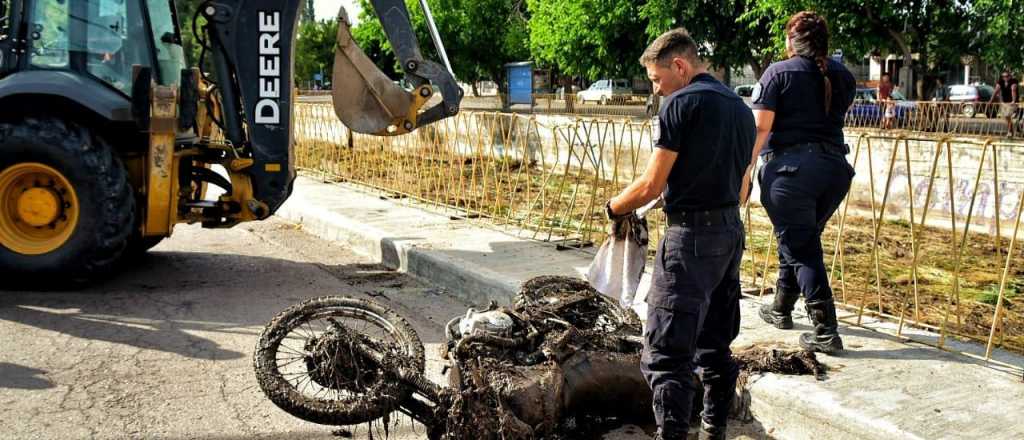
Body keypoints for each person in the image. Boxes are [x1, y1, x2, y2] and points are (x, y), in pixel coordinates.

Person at [606, 28, 754, 440]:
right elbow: (744, 189)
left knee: (667, 353)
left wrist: (615, 207)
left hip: (690, 240)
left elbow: (652, 185)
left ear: (680, 65)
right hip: (728, 233)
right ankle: (714, 428)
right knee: (715, 345)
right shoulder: (741, 109)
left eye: (656, 79)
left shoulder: (680, 104)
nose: (656, 88)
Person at [740, 11, 856, 354]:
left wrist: (744, 170)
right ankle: (781, 307)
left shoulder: (778, 73)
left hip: (790, 175)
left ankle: (825, 330)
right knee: (798, 237)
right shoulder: (843, 75)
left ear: (792, 40)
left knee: (802, 247)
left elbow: (761, 128)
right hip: (834, 171)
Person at [991, 71, 1019, 138]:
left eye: (1006, 76)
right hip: (1004, 102)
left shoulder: (1013, 81)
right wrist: (991, 100)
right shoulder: (1001, 81)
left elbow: (1013, 90)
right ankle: (1011, 131)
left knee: (1008, 115)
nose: (1005, 78)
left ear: (1010, 76)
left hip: (1012, 103)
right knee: (1007, 117)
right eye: (1003, 76)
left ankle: (1010, 132)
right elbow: (996, 90)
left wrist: (1013, 101)